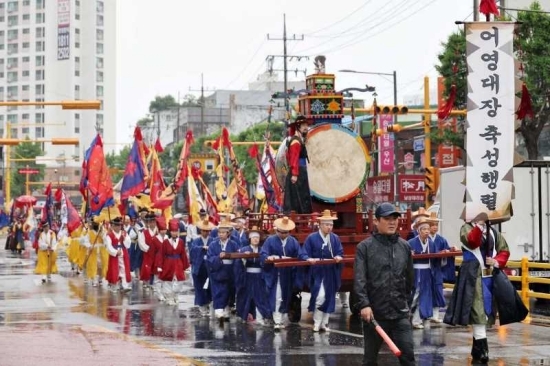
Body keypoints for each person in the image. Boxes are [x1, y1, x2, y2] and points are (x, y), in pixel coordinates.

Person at [444, 212, 510, 364]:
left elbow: (504, 250)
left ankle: (476, 350)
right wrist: (479, 225)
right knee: (478, 313)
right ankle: (483, 351)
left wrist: (496, 261)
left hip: (490, 278)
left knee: (486, 314)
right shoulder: (466, 229)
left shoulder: (493, 232)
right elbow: (472, 242)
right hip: (473, 277)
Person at [354, 202, 415, 366]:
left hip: (400, 314)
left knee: (408, 357)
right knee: (370, 361)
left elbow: (410, 280)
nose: (392, 222)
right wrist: (364, 304)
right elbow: (359, 279)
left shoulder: (404, 247)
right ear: (376, 221)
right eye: (387, 218)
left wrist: (406, 304)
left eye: (395, 218)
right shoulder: (364, 248)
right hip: (374, 316)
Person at [260, 216, 308, 330]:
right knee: (276, 295)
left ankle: (281, 317)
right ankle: (277, 319)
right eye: (281, 232)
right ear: (277, 231)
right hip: (274, 273)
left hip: (287, 274)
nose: (283, 234)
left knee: (286, 296)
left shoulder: (293, 241)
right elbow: (263, 254)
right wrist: (268, 258)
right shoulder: (270, 240)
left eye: (286, 232)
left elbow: (300, 254)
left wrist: (306, 258)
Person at [301, 210, 344, 332]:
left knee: (329, 297)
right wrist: (308, 259)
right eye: (326, 225)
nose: (329, 227)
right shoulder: (312, 238)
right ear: (320, 225)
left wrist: (338, 257)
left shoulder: (335, 238)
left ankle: (324, 323)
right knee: (320, 296)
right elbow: (304, 253)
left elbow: (340, 252)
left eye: (331, 225)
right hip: (318, 270)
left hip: (330, 270)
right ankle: (317, 322)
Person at [408, 217, 446, 329]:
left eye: (428, 229)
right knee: (414, 296)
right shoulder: (411, 242)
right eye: (424, 229)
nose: (427, 231)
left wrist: (442, 254)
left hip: (427, 273)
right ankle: (406, 314)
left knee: (424, 296)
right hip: (415, 272)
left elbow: (435, 257)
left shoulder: (431, 243)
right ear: (418, 231)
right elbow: (405, 256)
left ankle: (416, 320)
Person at [234, 226, 271, 325]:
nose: (255, 239)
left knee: (261, 297)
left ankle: (260, 317)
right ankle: (244, 316)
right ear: (250, 238)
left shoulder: (262, 250)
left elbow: (266, 262)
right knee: (245, 296)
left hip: (259, 276)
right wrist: (244, 258)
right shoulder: (244, 249)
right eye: (254, 237)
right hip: (248, 276)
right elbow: (238, 264)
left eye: (257, 238)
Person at [206, 217, 240, 322]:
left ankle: (226, 309)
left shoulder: (234, 244)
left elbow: (237, 257)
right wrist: (218, 258)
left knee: (229, 290)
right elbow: (210, 258)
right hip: (218, 270)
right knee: (218, 290)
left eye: (223, 232)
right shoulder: (213, 245)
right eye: (219, 232)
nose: (220, 234)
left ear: (228, 233)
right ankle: (218, 310)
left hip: (230, 271)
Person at [156, 219, 190, 305]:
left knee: (179, 282)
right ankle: (169, 298)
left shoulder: (181, 242)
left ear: (178, 232)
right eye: (172, 231)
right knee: (168, 281)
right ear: (170, 232)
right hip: (168, 263)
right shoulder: (166, 242)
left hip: (178, 263)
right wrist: (160, 266)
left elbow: (183, 254)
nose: (174, 233)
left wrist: (186, 267)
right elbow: (161, 254)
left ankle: (175, 295)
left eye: (175, 231)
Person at [283, 115, 313, 214]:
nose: (306, 127)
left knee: (301, 199)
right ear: (298, 127)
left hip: (301, 172)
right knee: (297, 201)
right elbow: (294, 158)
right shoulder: (296, 141)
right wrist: (295, 174)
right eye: (303, 125)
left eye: (306, 125)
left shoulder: (299, 140)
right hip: (298, 174)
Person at [189, 218, 215, 316]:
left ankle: (209, 303)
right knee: (199, 287)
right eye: (203, 231)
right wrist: (201, 248)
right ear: (200, 231)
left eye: (207, 231)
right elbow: (192, 251)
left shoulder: (213, 241)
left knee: (210, 287)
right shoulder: (196, 241)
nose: (205, 232)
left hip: (209, 267)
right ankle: (202, 306)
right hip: (199, 268)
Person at [104, 217, 132, 292]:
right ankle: (114, 285)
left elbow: (128, 244)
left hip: (123, 252)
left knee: (124, 268)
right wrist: (115, 252)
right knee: (114, 269)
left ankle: (124, 285)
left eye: (119, 225)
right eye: (116, 225)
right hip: (115, 254)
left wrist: (125, 238)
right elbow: (108, 246)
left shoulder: (124, 233)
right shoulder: (109, 235)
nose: (118, 227)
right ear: (112, 226)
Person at [81, 218, 108, 287]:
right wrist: (89, 246)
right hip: (93, 251)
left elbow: (106, 240)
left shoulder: (103, 231)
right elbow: (85, 241)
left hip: (102, 251)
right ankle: (94, 280)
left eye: (97, 223)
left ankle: (100, 278)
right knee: (94, 265)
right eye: (94, 223)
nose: (95, 224)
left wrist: (102, 233)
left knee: (102, 266)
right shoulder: (89, 233)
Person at [138, 213, 158, 289]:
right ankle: (147, 281)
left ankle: (155, 283)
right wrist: (147, 248)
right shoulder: (144, 232)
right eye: (150, 222)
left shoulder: (159, 231)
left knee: (156, 268)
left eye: (153, 222)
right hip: (148, 253)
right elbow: (141, 242)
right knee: (147, 268)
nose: (152, 223)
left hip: (157, 253)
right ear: (148, 223)